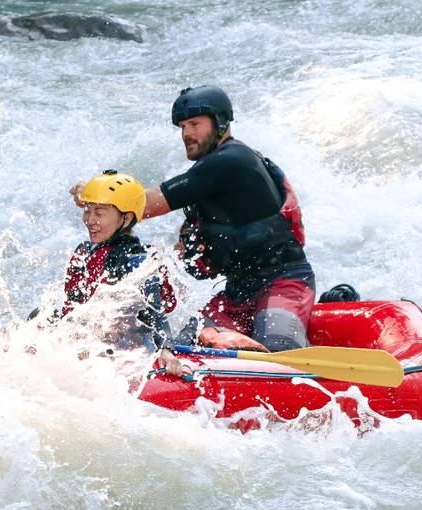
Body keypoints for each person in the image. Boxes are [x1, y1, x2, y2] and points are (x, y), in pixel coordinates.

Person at [75, 86, 314, 352]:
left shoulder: (231, 160)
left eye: (195, 124)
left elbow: (149, 203)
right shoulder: (212, 177)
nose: (187, 134)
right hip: (237, 292)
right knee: (184, 348)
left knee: (278, 350)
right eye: (182, 127)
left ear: (221, 122)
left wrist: (101, 196)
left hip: (283, 283)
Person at [59, 170, 181, 371]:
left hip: (125, 348)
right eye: (87, 211)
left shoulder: (138, 261)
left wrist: (165, 349)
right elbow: (72, 309)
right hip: (87, 341)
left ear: (125, 218)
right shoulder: (84, 253)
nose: (89, 220)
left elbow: (155, 312)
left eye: (99, 213)